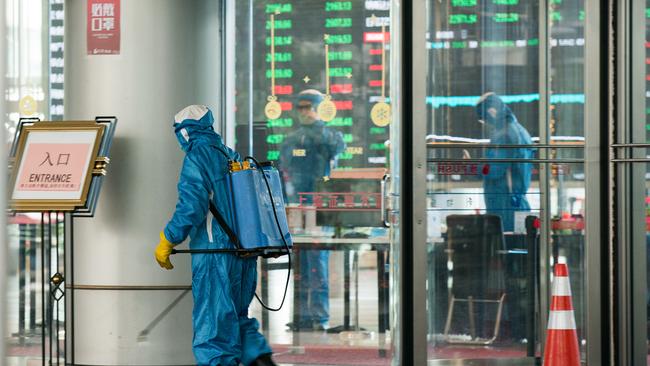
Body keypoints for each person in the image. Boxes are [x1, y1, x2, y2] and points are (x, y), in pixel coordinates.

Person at [154, 105, 276, 366]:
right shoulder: (230, 154)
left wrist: (169, 238)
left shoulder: (198, 156)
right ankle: (262, 361)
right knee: (237, 317)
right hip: (242, 253)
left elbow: (192, 207)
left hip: (214, 254)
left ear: (184, 132)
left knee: (214, 329)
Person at [279, 90, 346, 331]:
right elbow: (283, 166)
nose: (304, 112)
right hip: (298, 204)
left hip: (320, 205)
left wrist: (319, 129)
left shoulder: (329, 135)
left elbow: (337, 148)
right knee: (300, 262)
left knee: (317, 259)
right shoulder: (292, 139)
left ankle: (318, 314)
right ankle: (302, 315)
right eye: (301, 108)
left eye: (309, 107)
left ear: (319, 108)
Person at [475, 92, 533, 232]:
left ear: (492, 112)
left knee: (505, 250)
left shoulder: (505, 134)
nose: (486, 124)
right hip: (516, 203)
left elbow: (495, 169)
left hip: (504, 206)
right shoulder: (521, 131)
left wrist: (472, 167)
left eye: (484, 119)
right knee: (521, 248)